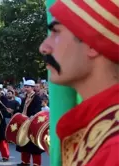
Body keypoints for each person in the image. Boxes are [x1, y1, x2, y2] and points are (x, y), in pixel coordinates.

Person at [39, 0, 119, 165]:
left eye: (56, 32)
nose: (44, 47)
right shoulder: (97, 128)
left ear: (92, 45)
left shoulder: (113, 147)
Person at [16, 80, 43, 166]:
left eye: (27, 87)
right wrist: (14, 111)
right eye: (25, 87)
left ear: (32, 88)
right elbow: (21, 109)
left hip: (32, 123)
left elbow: (38, 110)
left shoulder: (37, 98)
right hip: (24, 123)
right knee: (24, 143)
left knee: (33, 145)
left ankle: (36, 163)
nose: (25, 88)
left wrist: (32, 116)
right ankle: (25, 162)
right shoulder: (24, 98)